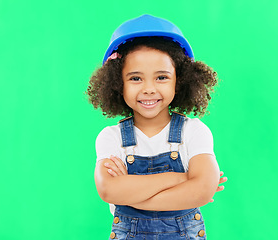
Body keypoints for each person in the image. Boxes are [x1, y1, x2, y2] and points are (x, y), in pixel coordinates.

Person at [87, 14, 227, 240]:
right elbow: (109, 190)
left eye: (161, 77)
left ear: (179, 80)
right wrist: (181, 178)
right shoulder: (111, 137)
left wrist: (130, 193)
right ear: (117, 83)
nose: (149, 89)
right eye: (135, 78)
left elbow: (203, 189)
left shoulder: (193, 131)